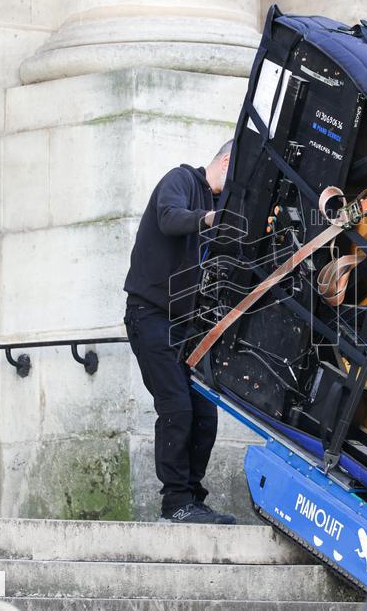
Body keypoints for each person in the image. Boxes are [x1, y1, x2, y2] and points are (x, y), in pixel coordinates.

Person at [123, 141, 235, 524]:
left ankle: (193, 498)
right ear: (224, 161)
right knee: (176, 407)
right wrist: (209, 220)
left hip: (187, 325)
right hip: (150, 315)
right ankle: (175, 503)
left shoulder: (220, 207)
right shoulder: (181, 179)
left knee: (205, 411)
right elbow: (170, 218)